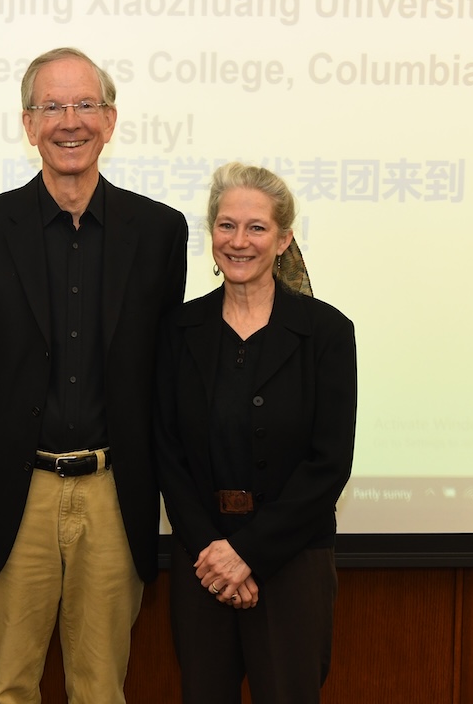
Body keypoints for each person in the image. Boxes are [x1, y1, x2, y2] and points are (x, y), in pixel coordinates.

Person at [0, 47, 189, 704]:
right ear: (27, 123)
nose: (68, 121)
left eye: (84, 105)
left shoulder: (160, 232)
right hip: (17, 492)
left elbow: (161, 363)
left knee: (102, 691)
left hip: (113, 489)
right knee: (9, 689)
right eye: (51, 106)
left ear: (109, 120)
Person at [154, 162, 357, 704]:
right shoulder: (179, 329)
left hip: (293, 562)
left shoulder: (326, 333)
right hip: (202, 561)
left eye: (256, 227)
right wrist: (214, 552)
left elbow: (329, 462)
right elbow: (167, 452)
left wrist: (248, 554)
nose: (238, 241)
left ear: (284, 238)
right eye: (226, 226)